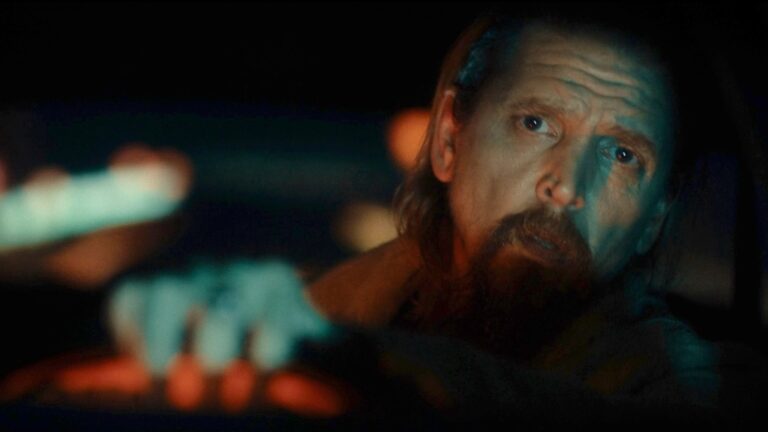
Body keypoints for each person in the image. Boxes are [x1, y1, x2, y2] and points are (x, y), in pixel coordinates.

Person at [30, 12, 762, 425]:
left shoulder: (694, 384)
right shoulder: (324, 306)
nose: (567, 185)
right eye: (535, 123)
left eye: (624, 155)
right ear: (448, 141)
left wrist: (353, 360)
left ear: (654, 218)